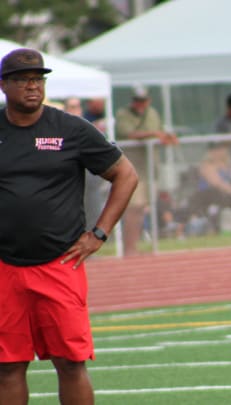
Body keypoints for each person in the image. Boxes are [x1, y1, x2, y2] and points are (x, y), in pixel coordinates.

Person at [0, 48, 138, 404]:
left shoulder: (71, 129)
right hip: (4, 267)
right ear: (4, 86)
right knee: (7, 366)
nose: (32, 87)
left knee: (71, 362)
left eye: (38, 79)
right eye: (23, 80)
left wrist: (100, 233)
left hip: (59, 263)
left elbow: (125, 174)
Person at [115, 84, 178, 255]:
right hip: (133, 170)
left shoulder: (152, 113)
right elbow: (127, 133)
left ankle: (134, 246)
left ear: (148, 100)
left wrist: (166, 137)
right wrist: (154, 134)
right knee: (133, 208)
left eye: (142, 101)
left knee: (142, 208)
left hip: (150, 169)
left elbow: (161, 131)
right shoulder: (123, 114)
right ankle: (128, 248)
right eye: (137, 100)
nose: (140, 104)